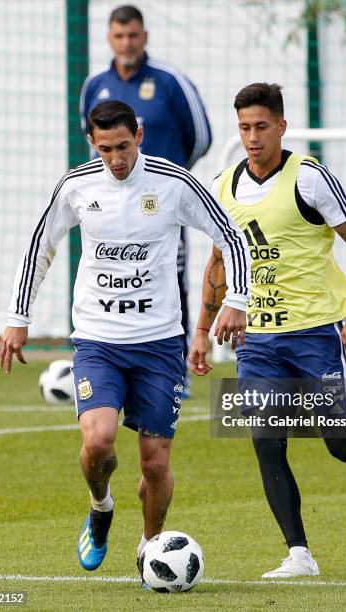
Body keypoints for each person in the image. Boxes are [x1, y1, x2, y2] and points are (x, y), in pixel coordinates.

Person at [189, 83, 346, 579]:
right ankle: (298, 554)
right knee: (265, 436)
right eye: (244, 128)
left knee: (341, 444)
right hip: (257, 338)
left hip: (316, 333)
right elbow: (218, 259)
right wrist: (201, 328)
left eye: (262, 126)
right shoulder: (222, 186)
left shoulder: (309, 179)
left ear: (282, 126)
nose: (253, 137)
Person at [0, 101, 250, 581]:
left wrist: (236, 301)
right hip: (98, 340)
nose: (116, 158)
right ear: (92, 142)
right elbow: (40, 245)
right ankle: (100, 506)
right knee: (98, 442)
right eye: (105, 148)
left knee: (154, 465)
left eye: (125, 146)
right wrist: (17, 317)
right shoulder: (76, 186)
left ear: (140, 133)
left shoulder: (174, 183)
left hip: (158, 344)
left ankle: (150, 548)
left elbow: (233, 238)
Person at [80, 4, 213, 397]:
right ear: (109, 38)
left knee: (169, 278)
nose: (127, 43)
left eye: (133, 35)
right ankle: (108, 361)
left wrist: (162, 182)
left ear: (145, 36)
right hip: (112, 204)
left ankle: (179, 367)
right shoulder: (94, 84)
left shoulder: (172, 81)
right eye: (119, 36)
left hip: (160, 205)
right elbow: (92, 139)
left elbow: (201, 136)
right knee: (113, 275)